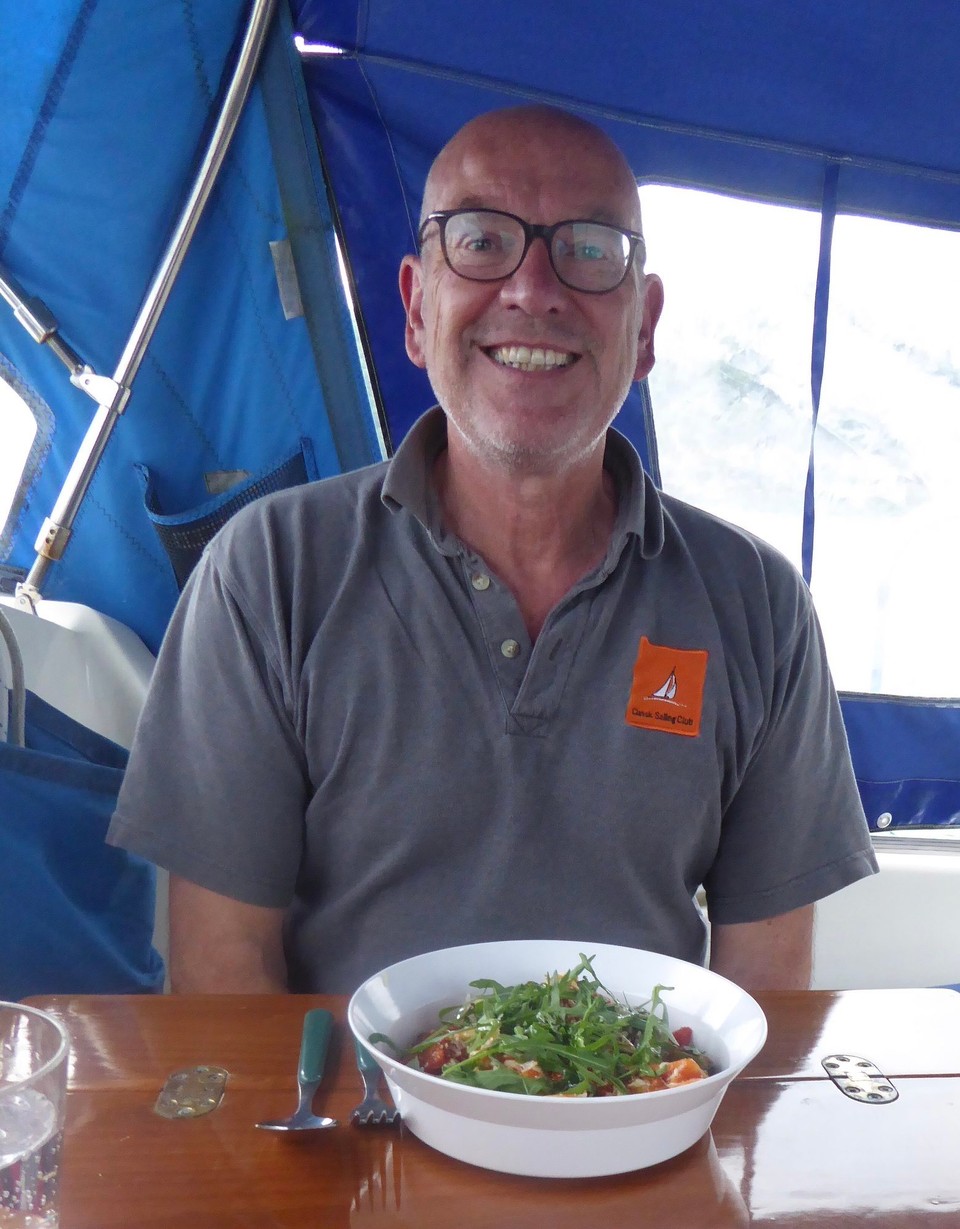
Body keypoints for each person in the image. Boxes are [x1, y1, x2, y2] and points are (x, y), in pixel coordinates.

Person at [107, 104, 878, 994]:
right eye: (479, 241)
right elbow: (221, 971)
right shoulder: (268, 573)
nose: (533, 289)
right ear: (414, 306)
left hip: (643, 1123)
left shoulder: (758, 606)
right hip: (351, 1127)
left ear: (646, 326)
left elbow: (766, 993)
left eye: (589, 248)